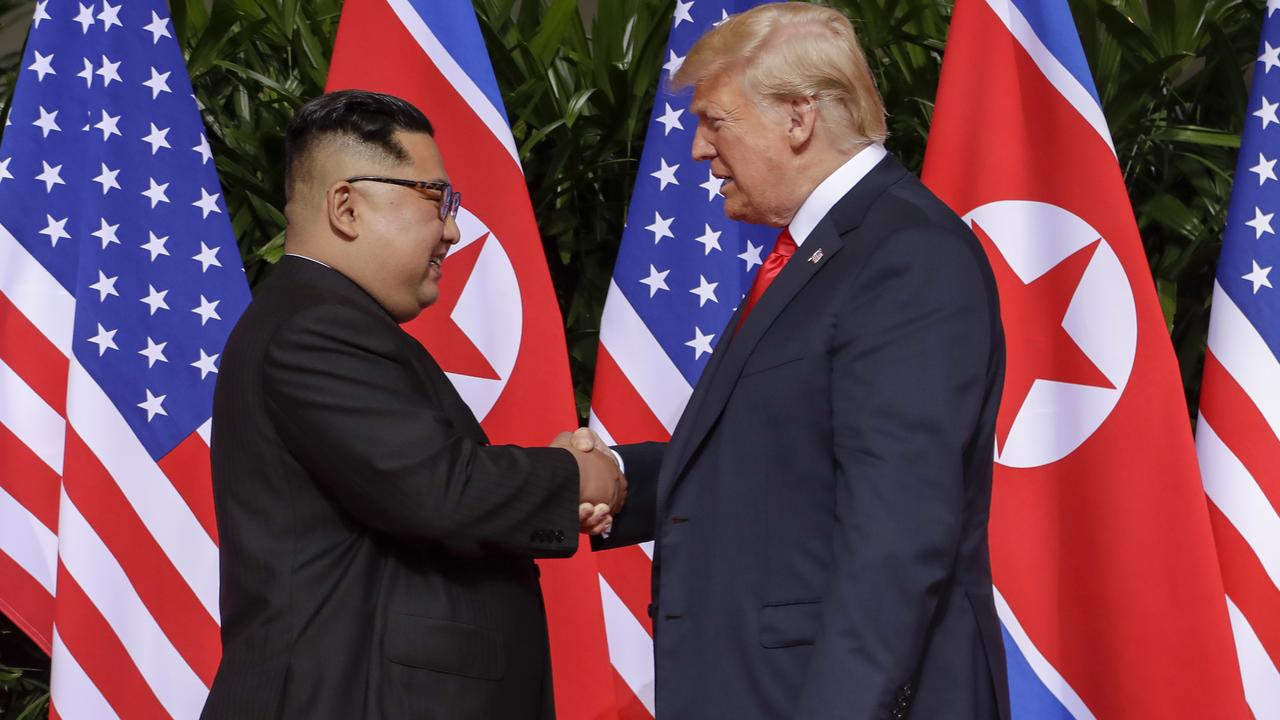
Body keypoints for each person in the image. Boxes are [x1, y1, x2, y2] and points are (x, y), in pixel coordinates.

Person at [578, 4, 1009, 718]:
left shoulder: (906, 255)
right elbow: (773, 463)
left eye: (715, 121)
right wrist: (618, 478)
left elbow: (896, 537)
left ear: (799, 117)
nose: (696, 149)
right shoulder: (824, 249)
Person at [201, 89, 622, 720]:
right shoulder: (312, 330)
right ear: (346, 206)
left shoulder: (330, 323)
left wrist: (624, 477)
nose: (453, 228)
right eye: (437, 199)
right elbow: (443, 490)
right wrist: (577, 476)